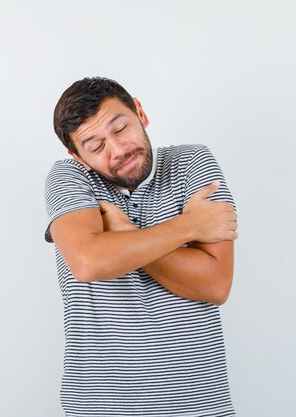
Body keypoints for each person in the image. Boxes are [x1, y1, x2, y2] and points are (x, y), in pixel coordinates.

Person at [44, 77, 238, 417]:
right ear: (78, 157)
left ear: (140, 112)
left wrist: (121, 235)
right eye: (95, 146)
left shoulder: (192, 162)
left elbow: (216, 283)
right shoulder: (68, 177)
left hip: (198, 404)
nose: (118, 150)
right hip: (101, 408)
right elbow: (88, 262)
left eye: (120, 128)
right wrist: (189, 226)